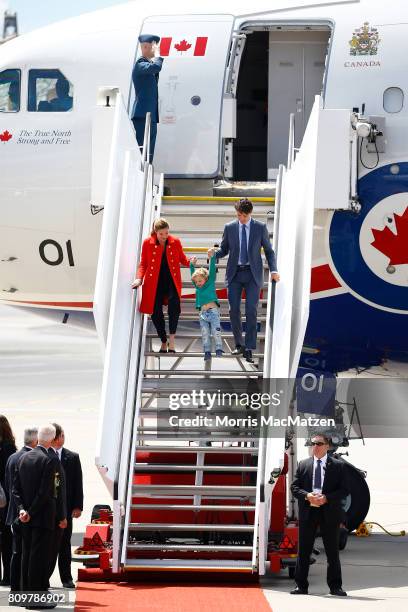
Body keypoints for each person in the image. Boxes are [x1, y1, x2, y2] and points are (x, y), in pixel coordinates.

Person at [210, 199, 280, 363]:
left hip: (252, 274)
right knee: (234, 310)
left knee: (251, 310)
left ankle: (249, 347)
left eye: (243, 215)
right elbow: (224, 249)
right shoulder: (230, 227)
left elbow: (269, 252)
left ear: (250, 213)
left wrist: (274, 270)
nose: (240, 218)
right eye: (238, 215)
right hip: (234, 274)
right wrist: (214, 253)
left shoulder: (260, 227)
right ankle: (239, 344)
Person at [290, 434, 349, 597]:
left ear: (327, 446)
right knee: (304, 551)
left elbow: (344, 490)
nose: (314, 446)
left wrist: (327, 498)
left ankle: (335, 587)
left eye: (318, 443)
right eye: (312, 443)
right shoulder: (303, 465)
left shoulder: (338, 466)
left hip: (329, 512)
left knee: (332, 552)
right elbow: (294, 488)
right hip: (309, 512)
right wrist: (307, 495)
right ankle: (300, 586)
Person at [12, 425, 60, 607]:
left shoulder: (23, 458)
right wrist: (31, 512)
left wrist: (23, 510)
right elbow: (45, 492)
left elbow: (15, 489)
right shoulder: (49, 460)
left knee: (26, 556)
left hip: (25, 517)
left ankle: (26, 596)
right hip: (41, 517)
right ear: (52, 439)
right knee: (38, 560)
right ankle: (36, 600)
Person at [132, 218, 191, 353]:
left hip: (171, 280)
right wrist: (138, 278)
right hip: (154, 282)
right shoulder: (147, 243)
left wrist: (191, 262)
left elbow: (182, 258)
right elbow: (144, 264)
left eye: (166, 233)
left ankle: (172, 340)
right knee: (155, 313)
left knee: (174, 306)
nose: (164, 237)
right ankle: (164, 341)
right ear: (155, 232)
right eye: (161, 234)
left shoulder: (175, 241)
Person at [48, 424, 83, 589]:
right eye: (62, 435)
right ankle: (44, 576)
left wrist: (78, 506)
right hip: (47, 510)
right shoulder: (44, 455)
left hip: (66, 509)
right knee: (47, 546)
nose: (63, 437)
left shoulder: (72, 457)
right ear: (56, 437)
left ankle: (66, 578)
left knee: (64, 544)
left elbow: (78, 484)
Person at [5, 427, 38, 593]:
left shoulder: (12, 457)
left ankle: (14, 587)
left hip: (13, 512)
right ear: (35, 440)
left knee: (16, 552)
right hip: (25, 513)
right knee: (26, 552)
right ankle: (24, 588)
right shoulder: (29, 458)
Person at [131, 34, 163, 162]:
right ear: (145, 47)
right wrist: (158, 55)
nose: (155, 50)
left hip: (150, 115)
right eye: (154, 47)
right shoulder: (140, 64)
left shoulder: (147, 65)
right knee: (143, 150)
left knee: (149, 150)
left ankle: (146, 178)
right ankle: (141, 176)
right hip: (143, 115)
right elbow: (156, 67)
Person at [190, 255, 224, 361]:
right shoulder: (197, 286)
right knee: (205, 333)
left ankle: (219, 348)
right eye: (196, 282)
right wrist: (192, 264)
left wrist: (212, 258)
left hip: (213, 312)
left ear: (206, 279)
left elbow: (212, 270)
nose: (198, 283)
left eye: (200, 281)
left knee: (216, 331)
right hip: (203, 314)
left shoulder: (210, 283)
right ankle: (207, 351)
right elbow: (193, 275)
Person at [47, 427, 67, 589]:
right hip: (53, 514)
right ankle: (42, 583)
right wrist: (62, 516)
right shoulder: (52, 459)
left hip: (37, 514)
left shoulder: (29, 456)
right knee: (49, 550)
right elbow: (56, 489)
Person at [0, 415, 17, 586]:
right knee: (6, 538)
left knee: (5, 538)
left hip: (2, 500)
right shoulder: (11, 448)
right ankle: (7, 575)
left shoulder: (6, 448)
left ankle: (6, 575)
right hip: (6, 499)